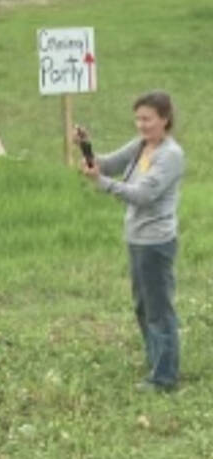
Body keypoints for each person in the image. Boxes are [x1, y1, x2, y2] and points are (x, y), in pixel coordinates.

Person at [76, 91, 185, 392]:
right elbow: (107, 164)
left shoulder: (170, 155)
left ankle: (165, 377)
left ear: (164, 119)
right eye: (138, 118)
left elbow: (143, 195)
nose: (141, 125)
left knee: (159, 308)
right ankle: (157, 360)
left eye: (147, 119)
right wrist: (86, 148)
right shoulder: (141, 146)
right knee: (142, 304)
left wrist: (102, 183)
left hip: (156, 242)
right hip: (136, 238)